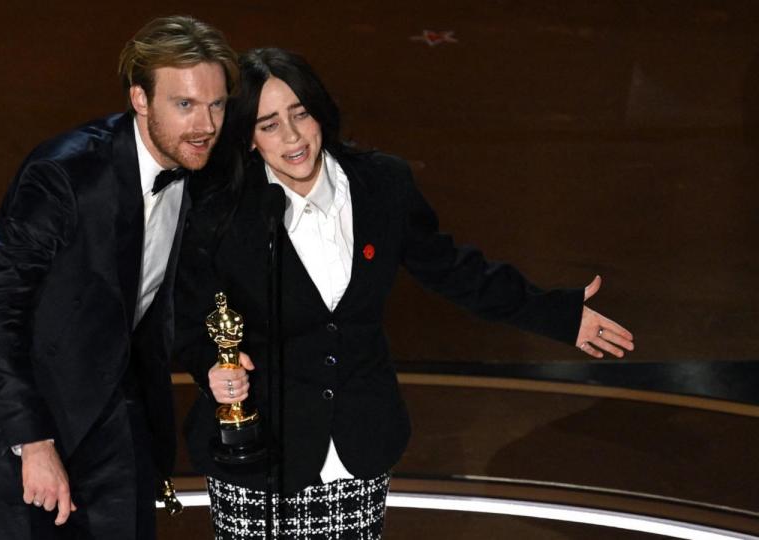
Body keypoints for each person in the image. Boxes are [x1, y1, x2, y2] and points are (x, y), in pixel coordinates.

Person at [174, 47, 634, 539]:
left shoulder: (381, 186)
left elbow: (454, 270)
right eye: (268, 124)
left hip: (358, 447)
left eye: (300, 114)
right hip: (261, 456)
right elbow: (184, 313)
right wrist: (211, 368)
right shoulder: (218, 212)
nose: (291, 137)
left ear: (319, 113)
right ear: (247, 137)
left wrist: (558, 314)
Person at [0, 16, 238, 540]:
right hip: (13, 430)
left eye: (216, 104)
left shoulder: (197, 167)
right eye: (184, 105)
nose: (205, 124)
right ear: (140, 99)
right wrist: (33, 442)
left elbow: (169, 300)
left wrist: (209, 362)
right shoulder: (64, 176)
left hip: (111, 415)